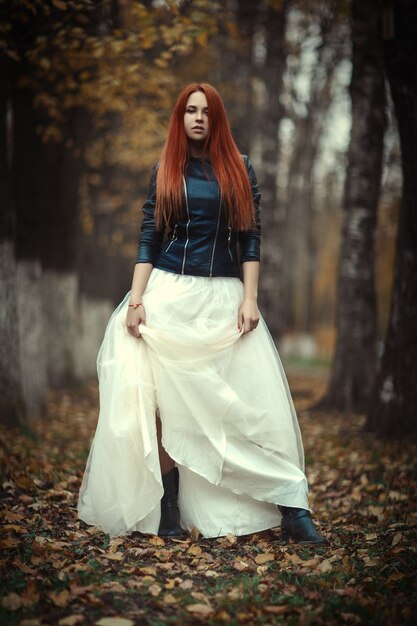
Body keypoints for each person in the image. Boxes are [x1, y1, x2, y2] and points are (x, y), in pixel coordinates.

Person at [77, 82, 328, 545]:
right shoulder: (164, 170)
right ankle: (169, 509)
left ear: (216, 118)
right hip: (169, 296)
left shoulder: (240, 168)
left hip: (225, 298)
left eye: (205, 111)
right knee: (162, 405)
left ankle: (293, 506)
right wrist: (135, 301)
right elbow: (149, 238)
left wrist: (250, 299)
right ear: (180, 117)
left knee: (249, 407)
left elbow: (250, 237)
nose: (197, 117)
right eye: (190, 110)